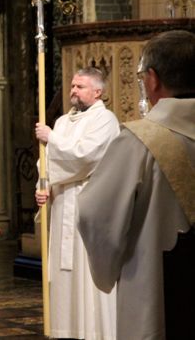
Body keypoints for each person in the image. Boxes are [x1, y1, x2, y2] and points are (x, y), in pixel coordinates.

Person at [78, 30, 195, 340]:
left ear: (153, 80)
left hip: (158, 288)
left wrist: (108, 266)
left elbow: (95, 214)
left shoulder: (139, 141)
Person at [35, 67, 119, 340]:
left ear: (98, 92)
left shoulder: (105, 120)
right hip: (62, 206)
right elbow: (45, 162)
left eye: (80, 86)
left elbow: (87, 156)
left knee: (87, 271)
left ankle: (94, 332)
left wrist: (52, 140)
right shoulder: (61, 122)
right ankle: (66, 330)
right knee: (65, 273)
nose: (73, 91)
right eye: (72, 86)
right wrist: (44, 186)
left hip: (88, 202)